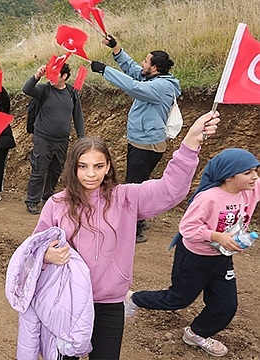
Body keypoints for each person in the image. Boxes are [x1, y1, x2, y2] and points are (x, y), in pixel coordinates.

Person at [31, 111, 220, 359]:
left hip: (110, 302)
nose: (91, 174)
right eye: (83, 166)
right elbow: (34, 248)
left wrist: (191, 143)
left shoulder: (126, 198)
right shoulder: (57, 204)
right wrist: (46, 255)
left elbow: (169, 190)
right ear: (72, 168)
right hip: (68, 302)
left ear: (108, 166)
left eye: (98, 166)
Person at [125, 148, 260, 357]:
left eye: (256, 171)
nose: (255, 176)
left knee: (226, 305)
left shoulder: (250, 190)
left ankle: (196, 333)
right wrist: (217, 236)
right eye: (248, 172)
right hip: (194, 257)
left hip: (221, 258)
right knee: (177, 299)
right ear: (229, 176)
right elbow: (187, 229)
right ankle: (133, 299)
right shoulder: (209, 198)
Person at [91, 35, 180, 243]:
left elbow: (134, 87)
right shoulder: (154, 79)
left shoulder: (161, 87)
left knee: (134, 186)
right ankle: (139, 219)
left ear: (155, 67)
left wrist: (105, 70)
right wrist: (116, 49)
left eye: (146, 61)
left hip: (146, 144)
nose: (142, 63)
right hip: (141, 140)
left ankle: (135, 228)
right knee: (138, 183)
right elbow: (133, 70)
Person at [23, 63, 84, 215]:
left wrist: (81, 136)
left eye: (54, 74)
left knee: (56, 170)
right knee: (39, 169)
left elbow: (78, 115)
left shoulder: (71, 92)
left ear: (64, 76)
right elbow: (27, 89)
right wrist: (37, 76)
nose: (51, 77)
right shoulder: (44, 89)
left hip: (62, 140)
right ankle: (32, 200)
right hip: (43, 138)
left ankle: (47, 197)